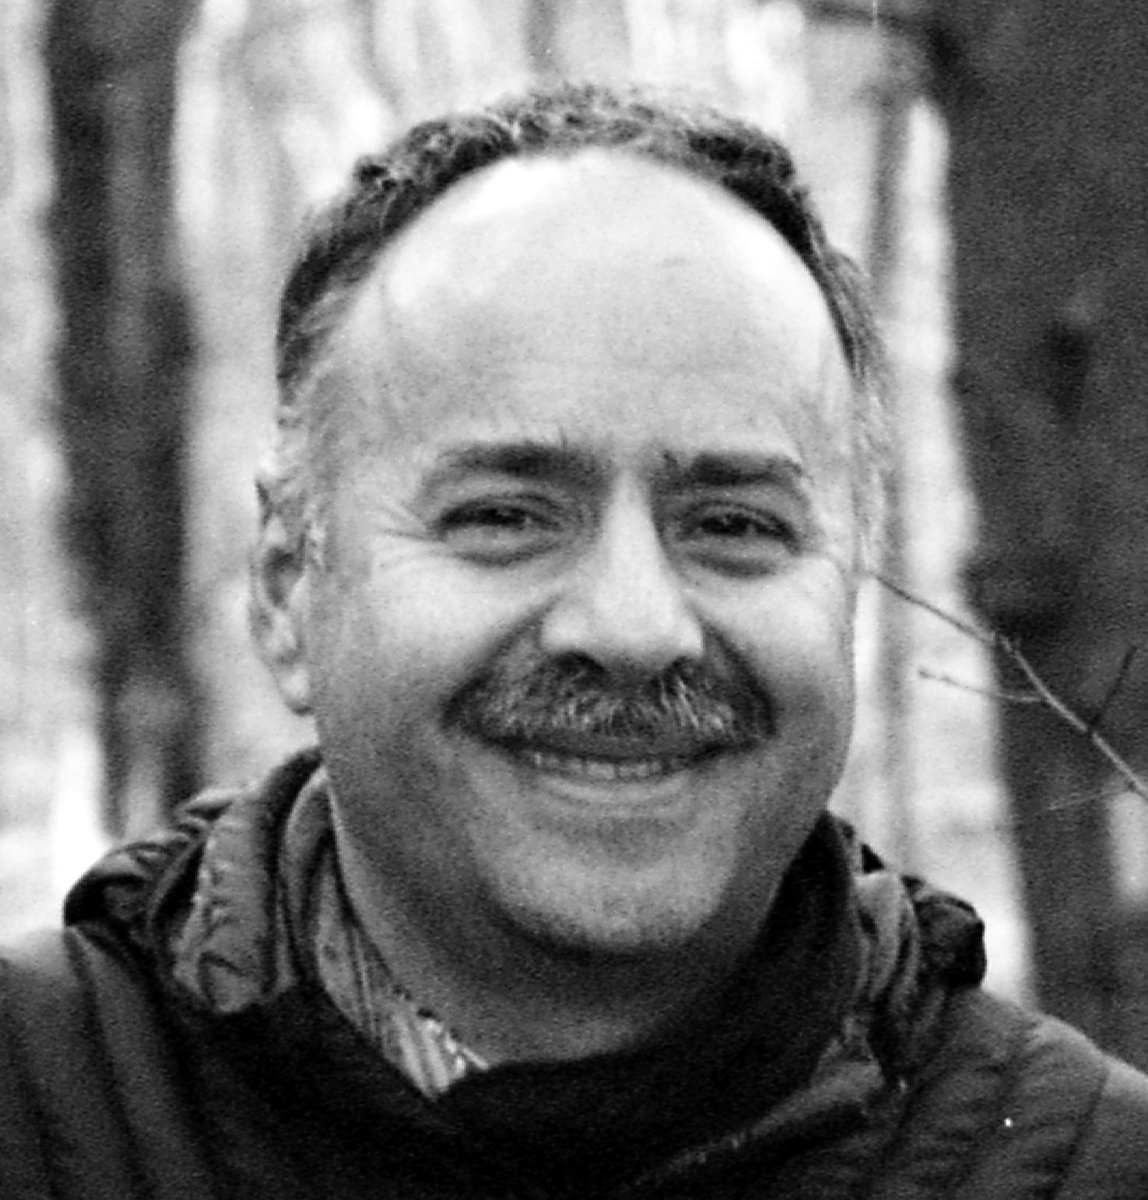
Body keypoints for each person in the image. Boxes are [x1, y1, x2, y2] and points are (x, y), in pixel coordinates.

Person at [2, 82, 1146, 1200]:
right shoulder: (41, 1113)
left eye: (732, 525)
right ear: (286, 586)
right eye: (505, 515)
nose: (633, 626)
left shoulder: (1081, 1167)